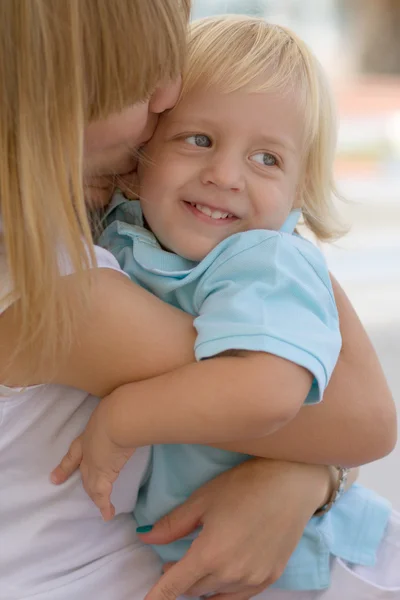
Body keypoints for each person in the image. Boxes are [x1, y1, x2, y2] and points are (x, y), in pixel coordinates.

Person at [0, 2, 396, 600]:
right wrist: (308, 468)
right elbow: (351, 421)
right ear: (57, 86)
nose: (167, 94)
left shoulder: (111, 228)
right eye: (140, 80)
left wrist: (305, 476)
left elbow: (325, 415)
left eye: (267, 159)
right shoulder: (62, 292)